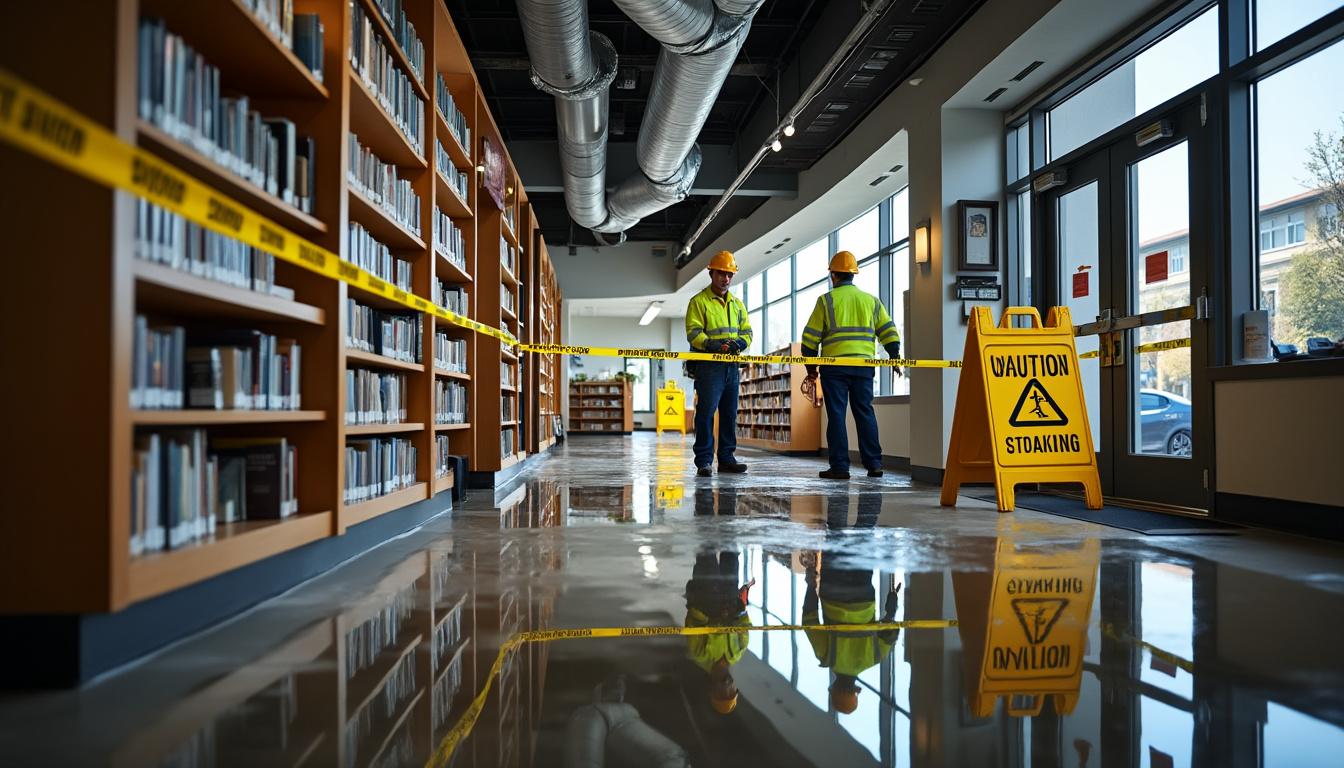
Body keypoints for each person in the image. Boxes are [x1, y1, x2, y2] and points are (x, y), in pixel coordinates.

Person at [800, 250, 903, 480]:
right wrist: (894, 355)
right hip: (863, 367)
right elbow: (889, 331)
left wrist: (811, 370)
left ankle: (839, 467)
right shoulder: (871, 301)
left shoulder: (826, 301)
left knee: (836, 415)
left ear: (833, 276)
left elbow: (809, 340)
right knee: (865, 412)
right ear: (853, 275)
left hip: (835, 368)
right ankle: (874, 464)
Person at [803, 492, 901, 715]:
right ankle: (840, 486)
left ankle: (872, 487)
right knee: (836, 531)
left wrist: (892, 599)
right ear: (833, 687)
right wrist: (811, 583)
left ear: (855, 690)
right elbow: (808, 618)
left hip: (862, 593)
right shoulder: (826, 656)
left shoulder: (874, 657)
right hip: (832, 590)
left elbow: (891, 629)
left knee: (864, 532)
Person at [685, 250, 752, 477]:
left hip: (731, 367)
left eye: (729, 274)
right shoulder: (699, 302)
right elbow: (693, 332)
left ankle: (726, 459)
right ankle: (704, 461)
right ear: (712, 273)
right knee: (705, 413)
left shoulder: (737, 304)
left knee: (729, 414)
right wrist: (712, 345)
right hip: (708, 366)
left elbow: (748, 332)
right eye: (722, 273)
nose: (726, 278)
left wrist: (739, 344)